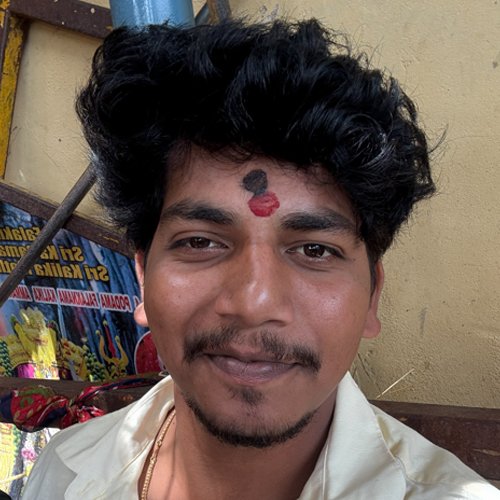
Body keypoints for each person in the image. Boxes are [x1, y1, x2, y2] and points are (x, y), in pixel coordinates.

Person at [22, 19, 500, 499]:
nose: (254, 303)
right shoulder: (64, 473)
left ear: (372, 296)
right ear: (143, 276)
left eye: (315, 250)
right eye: (200, 242)